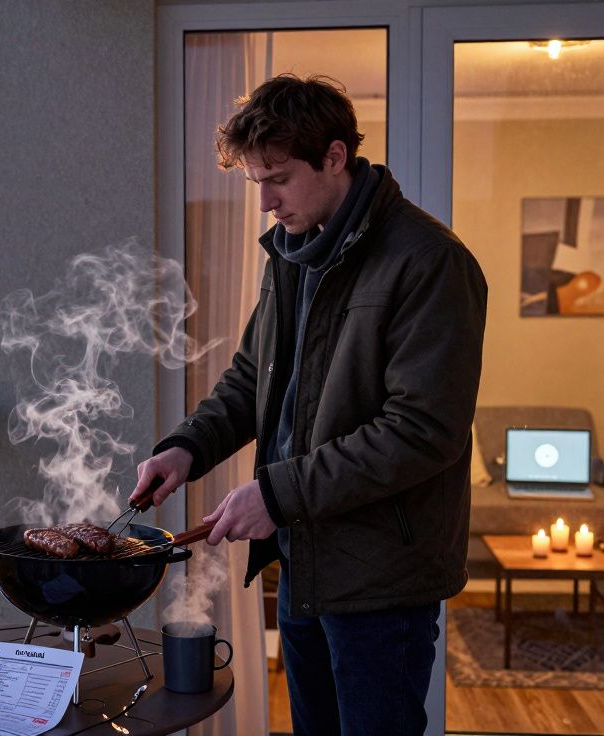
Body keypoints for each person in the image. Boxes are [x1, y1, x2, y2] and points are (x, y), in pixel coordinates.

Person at [131, 74, 487, 735]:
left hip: (383, 579)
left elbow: (422, 431)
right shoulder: (293, 253)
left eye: (278, 180)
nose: (266, 202)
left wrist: (275, 495)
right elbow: (253, 377)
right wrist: (187, 446)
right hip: (304, 561)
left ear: (334, 156)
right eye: (256, 182)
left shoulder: (430, 261)